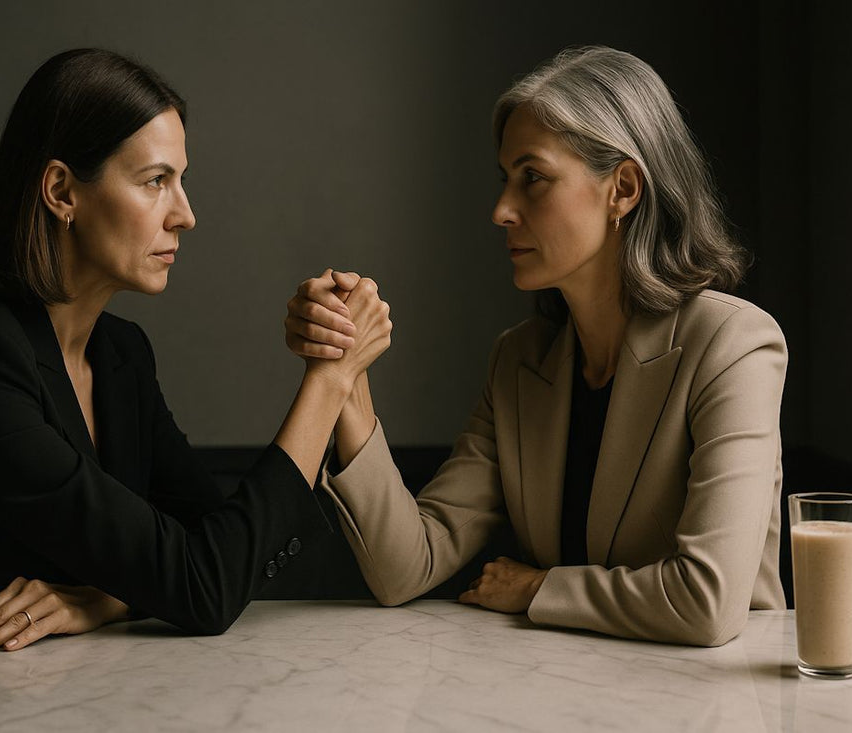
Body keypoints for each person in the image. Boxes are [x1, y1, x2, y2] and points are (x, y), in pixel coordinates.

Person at [0, 49, 391, 652]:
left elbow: (220, 546)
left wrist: (104, 599)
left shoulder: (121, 354)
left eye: (181, 181)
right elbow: (206, 584)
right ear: (62, 191)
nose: (185, 215)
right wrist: (330, 378)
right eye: (155, 181)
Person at [285, 46, 786, 646]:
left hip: (712, 703)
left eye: (534, 179)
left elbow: (707, 602)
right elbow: (405, 567)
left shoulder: (734, 347)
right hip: (559, 695)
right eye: (505, 180)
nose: (501, 210)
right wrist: (348, 372)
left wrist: (536, 588)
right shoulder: (520, 360)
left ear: (622, 189)